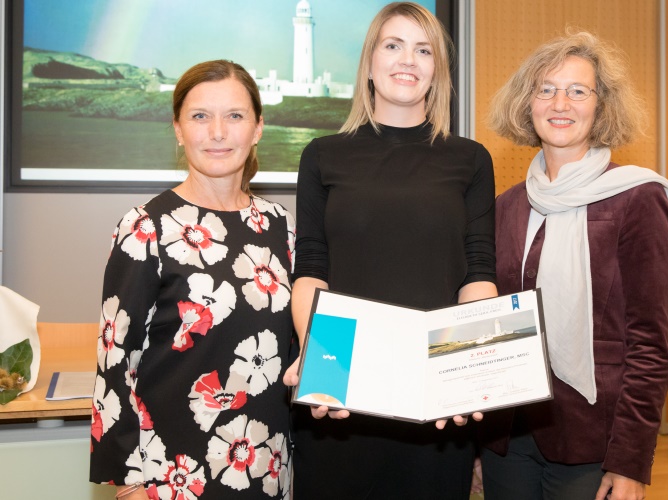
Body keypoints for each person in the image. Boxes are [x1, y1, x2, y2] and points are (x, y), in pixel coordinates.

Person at [285, 2, 497, 499]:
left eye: (424, 50)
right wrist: (323, 359)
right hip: (340, 393)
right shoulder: (322, 155)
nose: (408, 60)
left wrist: (468, 372)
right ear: (370, 62)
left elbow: (478, 274)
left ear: (437, 69)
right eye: (393, 45)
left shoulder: (470, 159)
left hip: (435, 395)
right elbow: (311, 268)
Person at [479, 31, 668, 500]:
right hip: (507, 438)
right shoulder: (506, 206)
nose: (560, 103)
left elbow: (651, 345)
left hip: (596, 441)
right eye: (546, 89)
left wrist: (630, 461)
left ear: (601, 105)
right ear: (527, 103)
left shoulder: (638, 199)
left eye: (577, 91)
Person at [90, 60, 295, 499]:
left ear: (258, 128)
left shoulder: (282, 227)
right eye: (200, 116)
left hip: (267, 470)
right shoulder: (145, 228)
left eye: (234, 115)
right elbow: (115, 361)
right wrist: (128, 483)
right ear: (179, 130)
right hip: (173, 478)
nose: (218, 132)